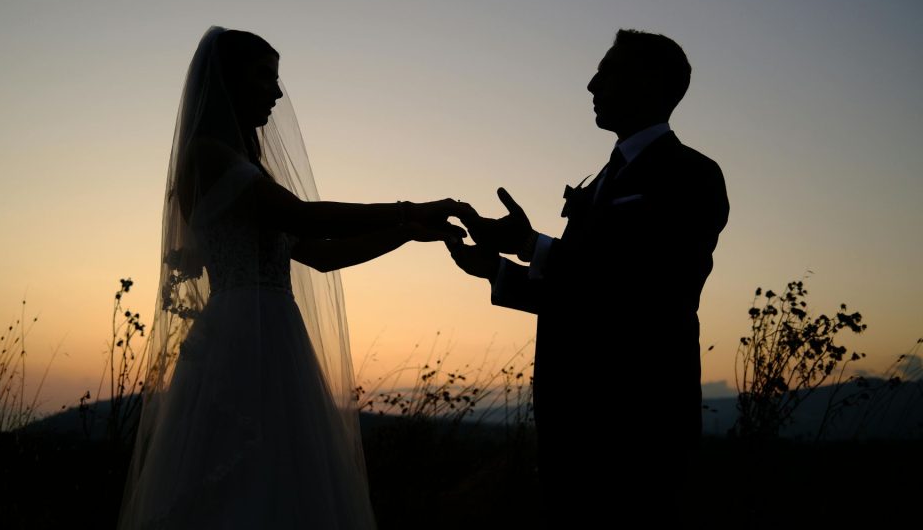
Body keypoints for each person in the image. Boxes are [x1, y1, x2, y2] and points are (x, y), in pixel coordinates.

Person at [117, 27, 470, 530]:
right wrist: (410, 207)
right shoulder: (208, 157)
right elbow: (307, 218)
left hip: (278, 337)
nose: (277, 93)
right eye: (264, 77)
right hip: (240, 340)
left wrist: (406, 232)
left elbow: (321, 256)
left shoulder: (246, 170)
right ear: (228, 80)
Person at [447, 29, 729, 525]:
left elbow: (643, 289)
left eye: (608, 70)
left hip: (639, 419)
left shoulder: (692, 175)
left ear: (650, 83)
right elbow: (582, 296)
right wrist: (496, 270)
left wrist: (529, 244)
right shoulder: (603, 179)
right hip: (569, 417)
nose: (591, 84)